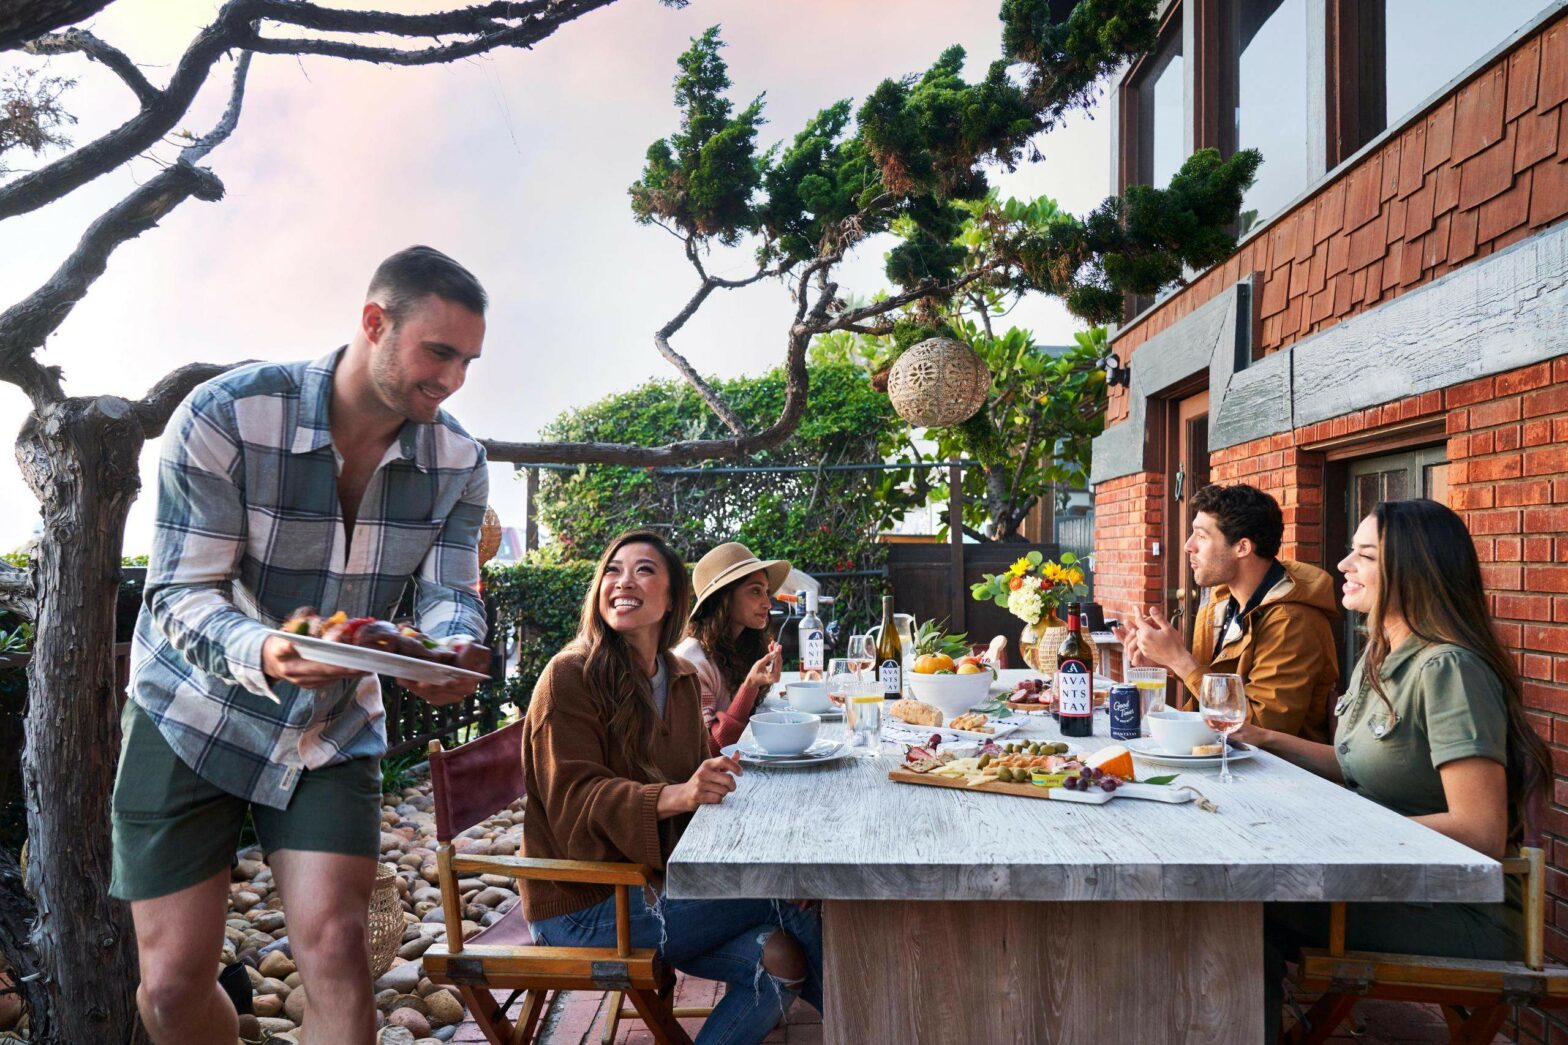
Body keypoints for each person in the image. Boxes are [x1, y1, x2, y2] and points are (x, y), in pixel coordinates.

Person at [113, 246, 492, 1045]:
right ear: (374, 322)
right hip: (191, 709)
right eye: (439, 352)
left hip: (330, 722)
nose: (453, 379)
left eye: (467, 361)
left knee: (341, 946)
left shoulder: (459, 461)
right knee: (173, 986)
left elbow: (452, 597)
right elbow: (181, 591)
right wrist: (267, 652)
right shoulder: (226, 414)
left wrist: (453, 652)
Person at [1236, 499, 1551, 1043]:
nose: (1342, 566)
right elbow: (1361, 765)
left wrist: (1333, 833)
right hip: (1381, 878)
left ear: (1413, 570)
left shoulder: (1448, 668)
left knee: (1238, 906)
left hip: (1454, 906)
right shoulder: (1380, 655)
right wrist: (1260, 736)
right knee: (1233, 891)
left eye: (1364, 555)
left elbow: (1479, 830)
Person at [521, 530, 823, 1043]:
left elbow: (701, 770)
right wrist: (678, 794)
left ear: (672, 597)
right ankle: (887, 1019)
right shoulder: (568, 676)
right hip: (585, 903)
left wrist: (717, 783)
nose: (623, 581)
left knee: (780, 957)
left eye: (643, 570)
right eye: (613, 570)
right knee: (786, 894)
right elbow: (574, 801)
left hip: (656, 886)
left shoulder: (678, 677)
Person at [1115, 483, 1339, 741]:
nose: (1188, 546)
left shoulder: (1293, 621)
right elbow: (1216, 680)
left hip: (1272, 773)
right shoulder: (1221, 600)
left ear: (1242, 548)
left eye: (1201, 536)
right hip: (1214, 751)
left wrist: (1179, 659)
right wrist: (1164, 662)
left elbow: (1261, 729)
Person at [674, 542, 790, 755]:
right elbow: (709, 749)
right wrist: (750, 685)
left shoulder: (739, 646)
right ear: (724, 598)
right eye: (756, 591)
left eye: (766, 592)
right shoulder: (691, 662)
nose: (768, 603)